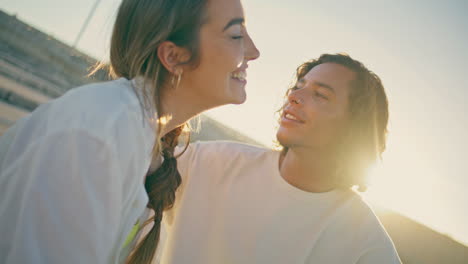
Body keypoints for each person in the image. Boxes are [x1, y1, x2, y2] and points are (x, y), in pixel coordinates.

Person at [0, 0, 259, 263]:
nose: (254, 52)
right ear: (173, 56)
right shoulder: (99, 134)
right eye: (236, 35)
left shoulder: (145, 142)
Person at [156, 53, 401, 263]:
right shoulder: (211, 162)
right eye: (298, 86)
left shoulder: (367, 247)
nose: (294, 96)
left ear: (354, 127)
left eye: (321, 95)